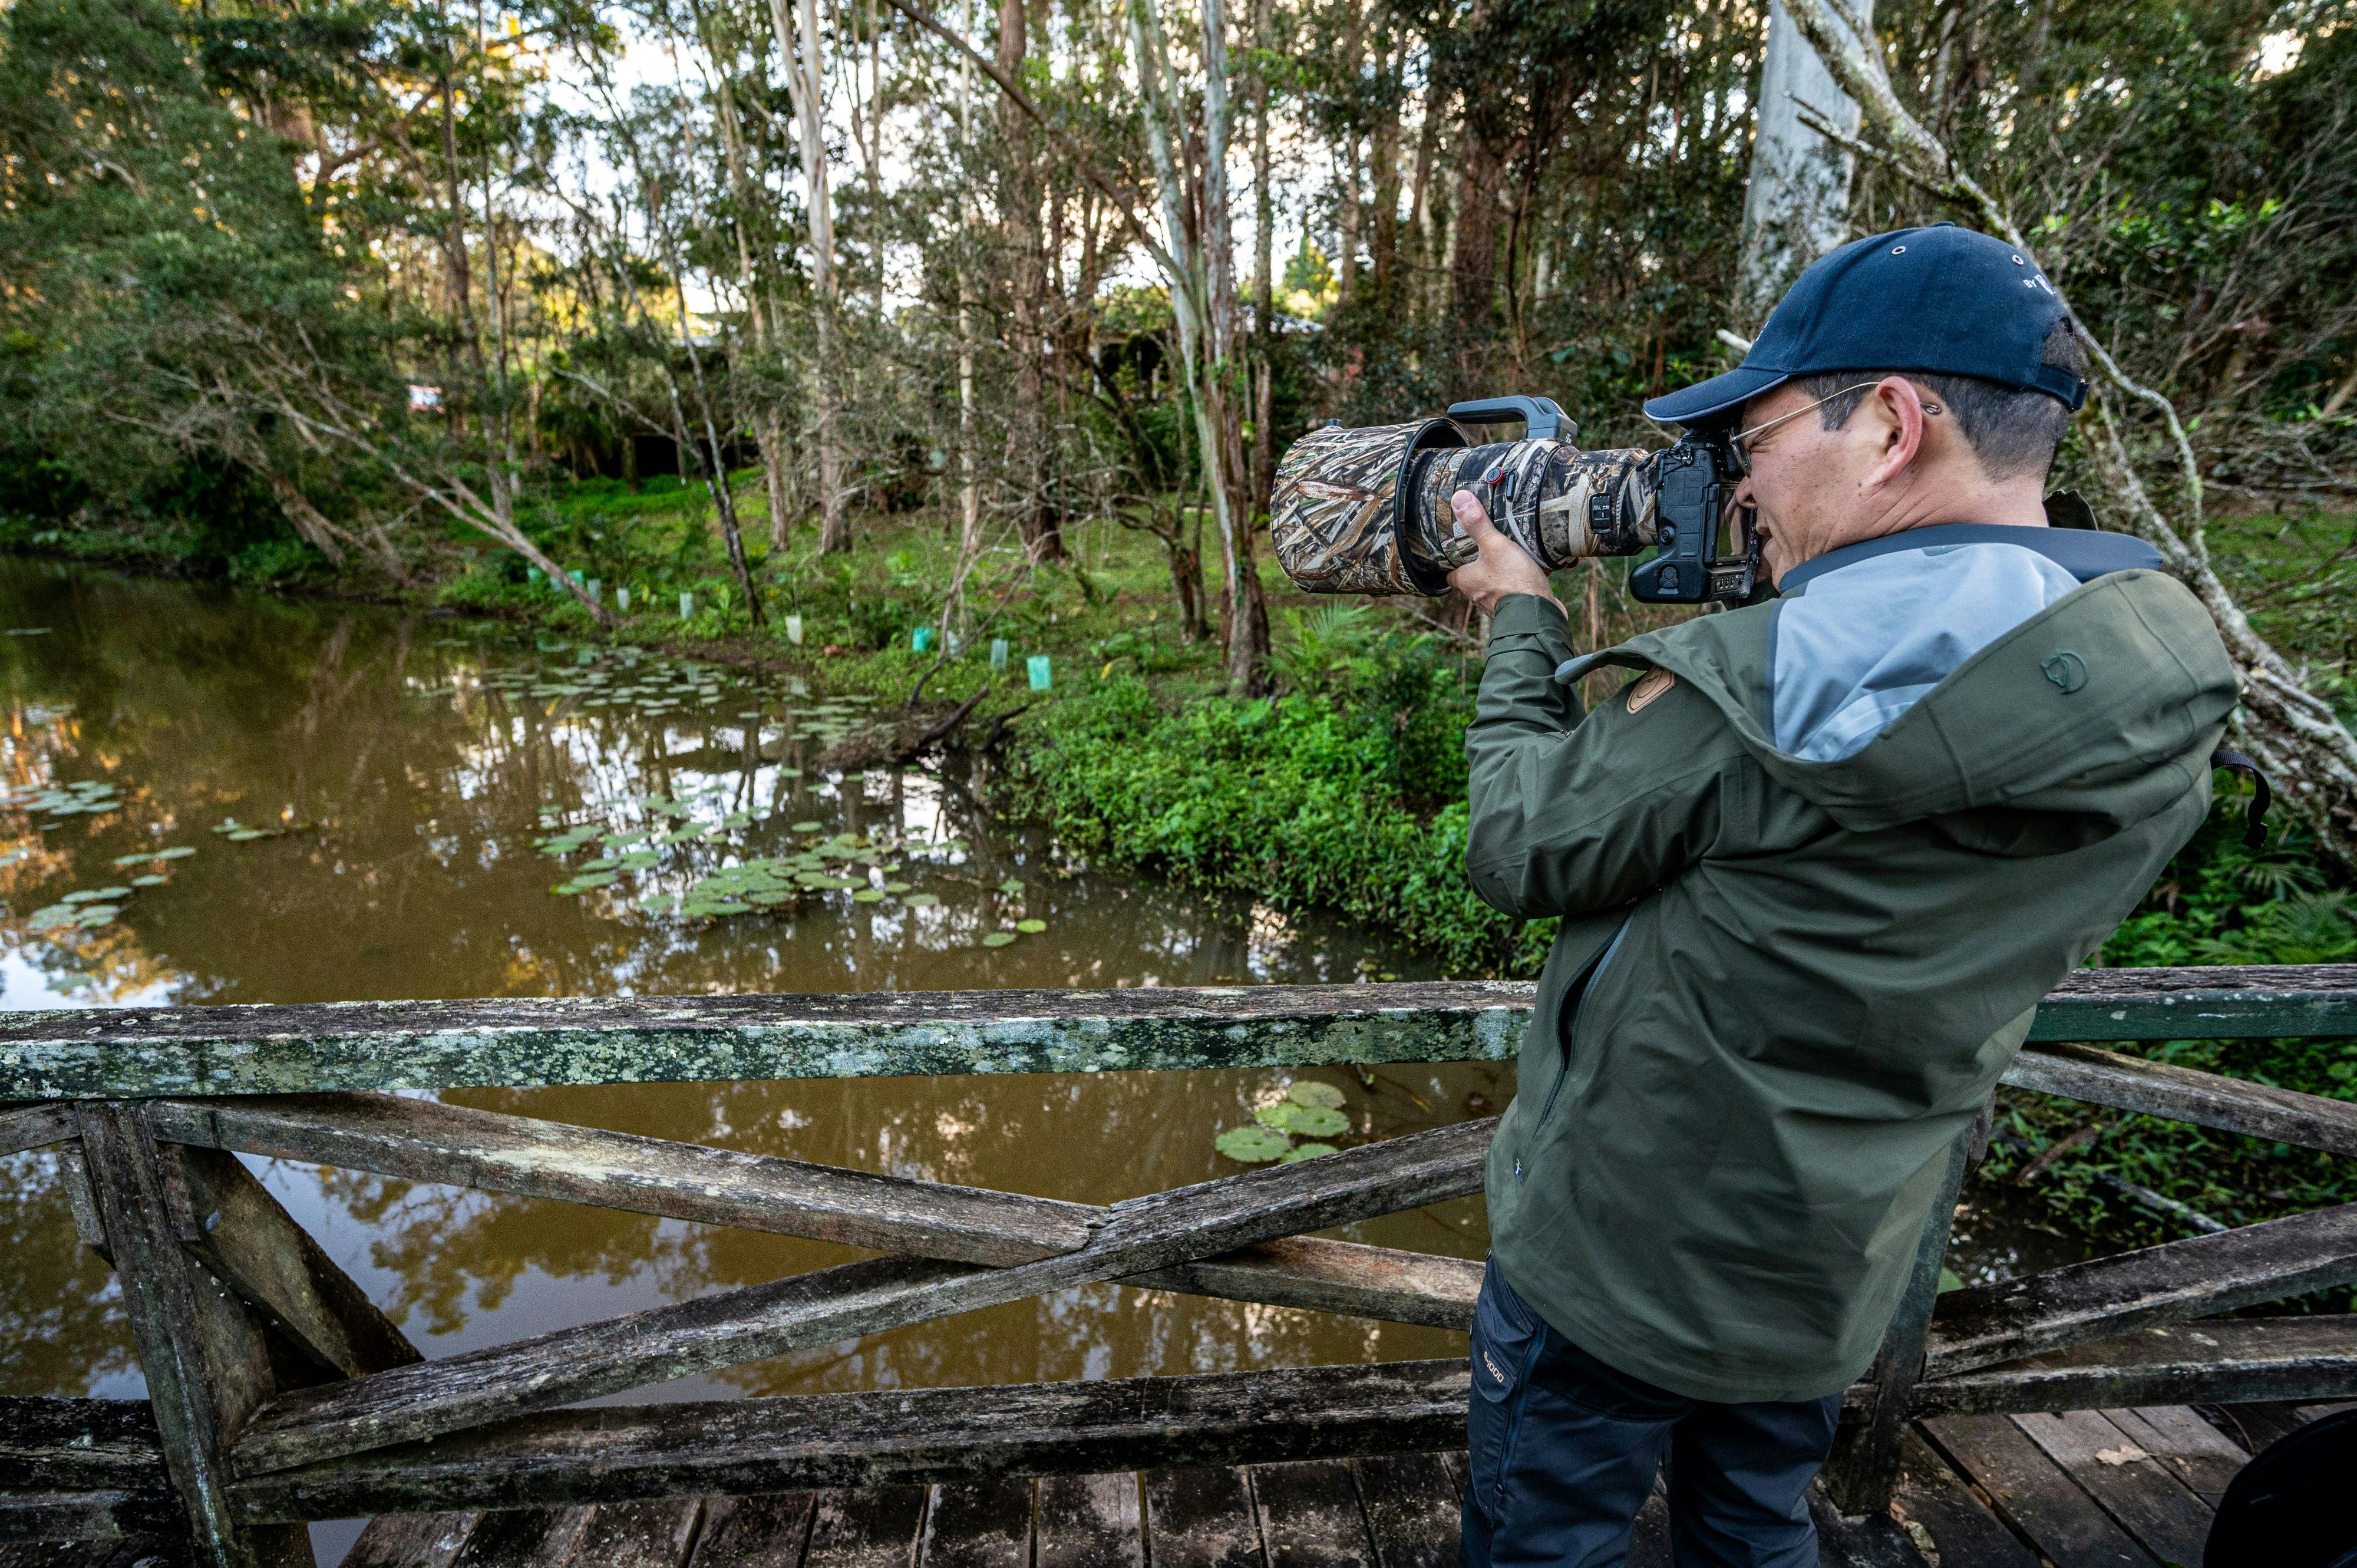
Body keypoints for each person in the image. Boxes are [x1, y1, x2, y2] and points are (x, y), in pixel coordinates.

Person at [1441, 223, 2242, 1566]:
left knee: (1539, 1538)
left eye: (1751, 442)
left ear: (1887, 425)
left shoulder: (1753, 686)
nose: (1738, 486)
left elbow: (1517, 843)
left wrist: (1524, 614)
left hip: (1615, 1261)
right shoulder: (2152, 674)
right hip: (1830, 1258)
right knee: (1755, 1528)